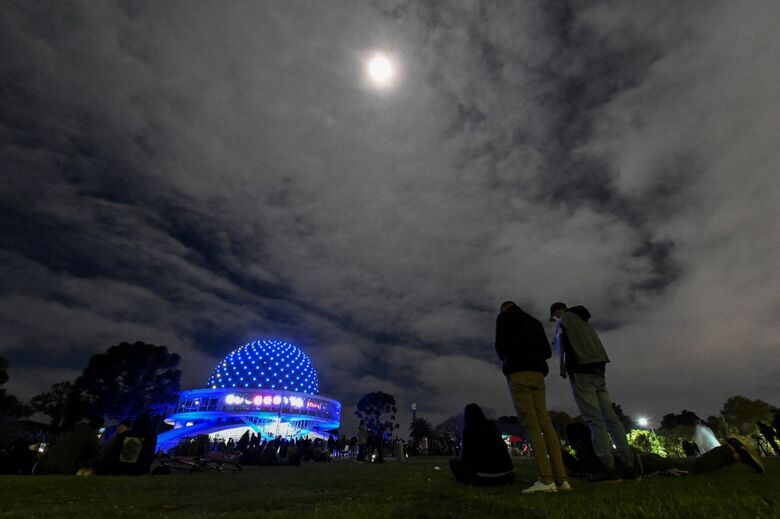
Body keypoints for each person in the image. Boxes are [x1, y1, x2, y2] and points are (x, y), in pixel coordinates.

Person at [550, 302, 636, 482]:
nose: (555, 319)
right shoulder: (584, 319)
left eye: (554, 316)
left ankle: (607, 466)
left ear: (557, 312)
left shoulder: (563, 321)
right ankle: (628, 465)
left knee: (594, 419)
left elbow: (561, 346)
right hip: (598, 369)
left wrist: (562, 368)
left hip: (580, 371)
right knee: (612, 419)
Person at [496, 301, 569, 493]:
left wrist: (508, 356)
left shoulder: (504, 318)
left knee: (530, 423)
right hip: (537, 373)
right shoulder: (535, 322)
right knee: (544, 420)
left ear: (505, 308)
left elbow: (500, 346)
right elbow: (546, 351)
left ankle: (546, 479)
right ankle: (561, 479)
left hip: (518, 371)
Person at [449, 403, 514, 485]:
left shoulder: (469, 429)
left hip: (483, 477)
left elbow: (466, 456)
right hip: (507, 476)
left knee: (453, 462)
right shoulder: (492, 426)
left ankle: (467, 479)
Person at [36, 416, 104, 475]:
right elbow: (97, 453)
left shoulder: (73, 430)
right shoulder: (91, 436)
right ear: (98, 426)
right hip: (60, 468)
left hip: (45, 463)